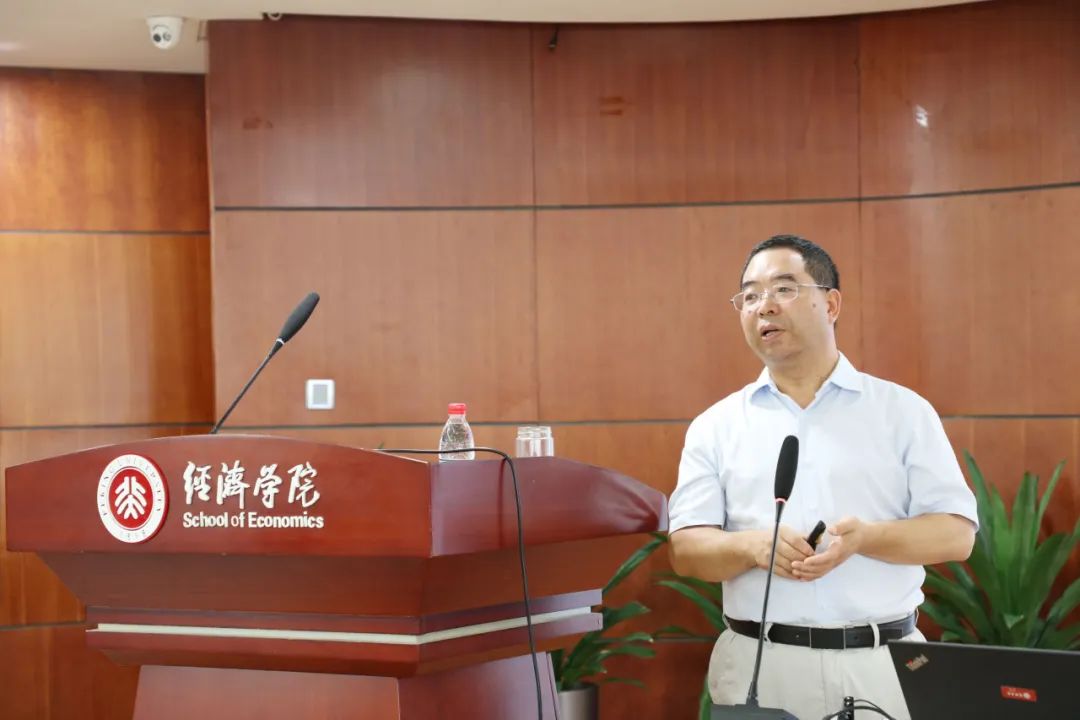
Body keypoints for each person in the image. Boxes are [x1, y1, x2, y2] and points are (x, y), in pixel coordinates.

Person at [667, 235, 978, 719]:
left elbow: (956, 536)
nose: (764, 306)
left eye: (783, 288)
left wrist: (866, 539)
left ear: (831, 304)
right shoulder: (716, 426)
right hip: (761, 666)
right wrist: (754, 547)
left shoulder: (902, 412)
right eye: (749, 296)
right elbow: (686, 550)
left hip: (880, 665)